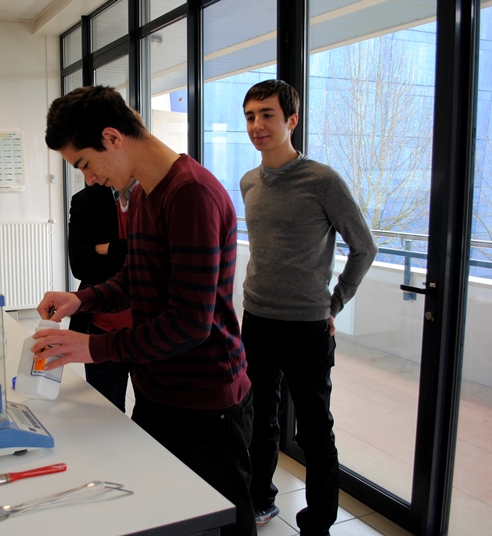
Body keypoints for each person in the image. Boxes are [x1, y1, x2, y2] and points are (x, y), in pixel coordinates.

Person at [33, 85, 256, 536]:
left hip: (206, 401)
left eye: (85, 164)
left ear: (112, 138)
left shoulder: (191, 194)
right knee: (163, 514)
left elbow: (190, 322)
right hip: (158, 390)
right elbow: (136, 279)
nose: (90, 179)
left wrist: (93, 348)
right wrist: (84, 299)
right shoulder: (144, 197)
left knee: (225, 523)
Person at [239, 79, 377, 536]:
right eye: (251, 116)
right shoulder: (249, 182)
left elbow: (364, 247)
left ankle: (317, 523)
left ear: (291, 120)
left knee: (314, 432)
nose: (257, 125)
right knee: (258, 418)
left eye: (267, 115)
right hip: (257, 320)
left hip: (306, 328)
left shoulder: (323, 180)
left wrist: (333, 303)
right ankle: (260, 500)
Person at [68, 179, 137, 412]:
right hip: (101, 328)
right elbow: (81, 265)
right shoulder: (86, 201)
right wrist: (129, 252)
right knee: (105, 415)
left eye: (88, 162)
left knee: (153, 424)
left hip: (148, 331)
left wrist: (109, 248)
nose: (89, 175)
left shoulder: (153, 196)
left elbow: (158, 257)